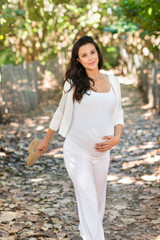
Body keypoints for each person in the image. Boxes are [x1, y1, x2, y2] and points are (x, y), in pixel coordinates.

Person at [37, 36, 124, 240]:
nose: (90, 57)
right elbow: (60, 112)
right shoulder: (73, 83)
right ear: (78, 60)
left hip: (103, 154)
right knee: (89, 201)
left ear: (98, 53)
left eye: (92, 52)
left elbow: (118, 113)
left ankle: (89, 235)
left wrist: (117, 137)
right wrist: (46, 139)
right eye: (84, 55)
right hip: (77, 151)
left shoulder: (114, 82)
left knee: (98, 203)